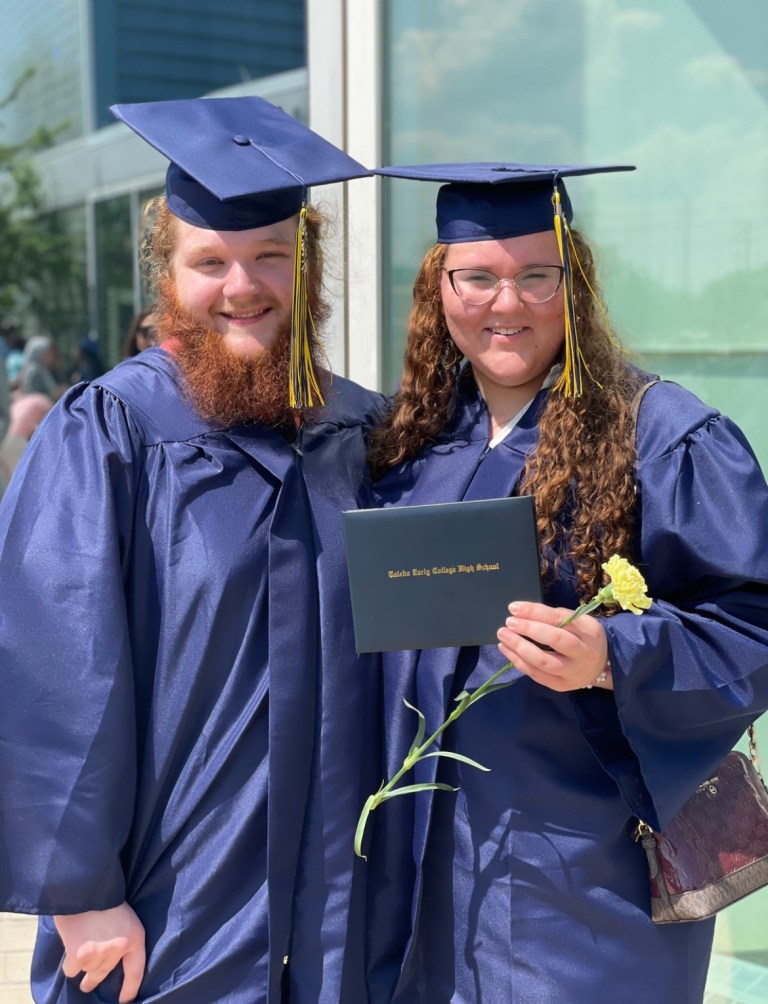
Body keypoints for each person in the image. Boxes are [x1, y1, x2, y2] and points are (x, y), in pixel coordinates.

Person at [0, 95, 386, 1003]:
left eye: (269, 258)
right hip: (174, 900)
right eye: (209, 261)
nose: (241, 286)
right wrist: (81, 891)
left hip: (339, 900)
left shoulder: (366, 428)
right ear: (167, 278)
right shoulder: (110, 432)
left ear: (308, 269)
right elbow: (51, 670)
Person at [365, 163, 768, 1003]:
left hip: (588, 887)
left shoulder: (661, 434)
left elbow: (753, 627)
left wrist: (612, 655)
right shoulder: (412, 442)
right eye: (477, 276)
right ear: (438, 287)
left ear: (572, 282)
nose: (505, 304)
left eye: (535, 277)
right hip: (427, 886)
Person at [18, 334, 66, 400]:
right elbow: (31, 394)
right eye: (49, 352)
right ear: (39, 352)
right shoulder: (34, 370)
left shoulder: (41, 368)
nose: (53, 356)